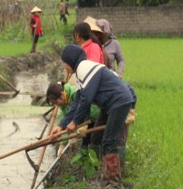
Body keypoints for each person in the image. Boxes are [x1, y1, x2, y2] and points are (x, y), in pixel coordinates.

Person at [52, 45, 136, 181]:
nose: (64, 67)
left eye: (64, 63)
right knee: (96, 138)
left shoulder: (84, 67)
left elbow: (86, 99)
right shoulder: (80, 73)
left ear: (71, 60)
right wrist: (61, 125)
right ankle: (97, 170)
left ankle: (113, 179)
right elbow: (77, 101)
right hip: (108, 104)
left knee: (109, 140)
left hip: (119, 101)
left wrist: (75, 123)